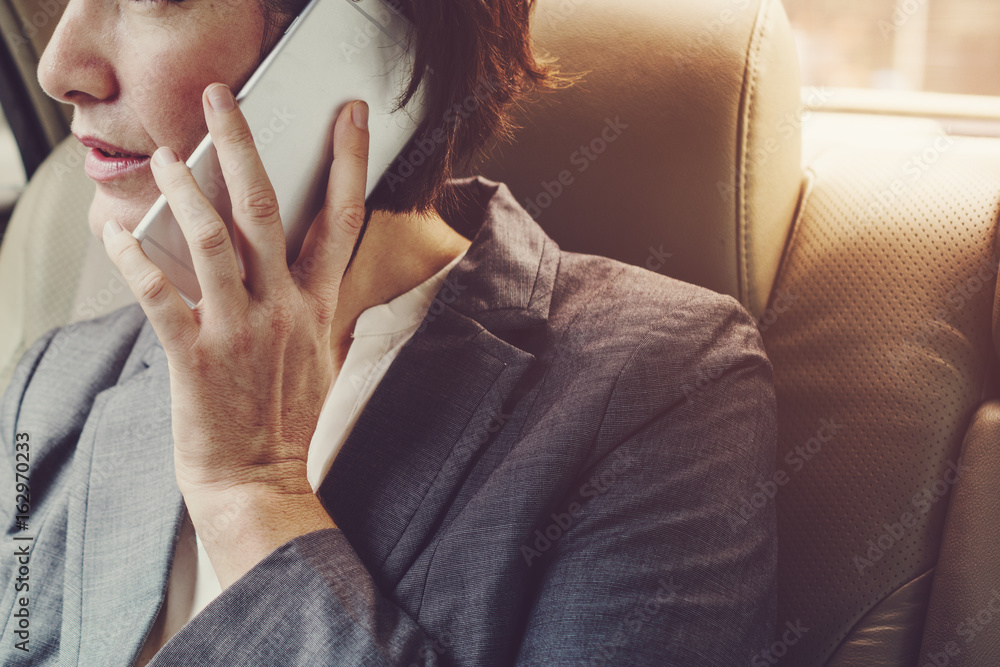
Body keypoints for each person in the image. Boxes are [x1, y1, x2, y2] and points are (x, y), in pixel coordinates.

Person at [0, 0, 778, 664]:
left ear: (369, 38)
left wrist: (254, 493)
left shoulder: (663, 386)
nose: (61, 66)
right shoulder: (59, 380)